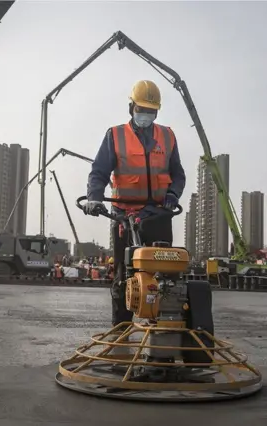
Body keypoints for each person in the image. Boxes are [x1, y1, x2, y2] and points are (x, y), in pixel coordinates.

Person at [83, 79, 186, 328]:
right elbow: (99, 172)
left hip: (159, 214)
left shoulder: (167, 136)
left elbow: (178, 174)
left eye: (151, 111)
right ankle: (121, 328)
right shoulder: (115, 135)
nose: (146, 115)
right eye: (142, 110)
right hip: (125, 216)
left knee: (166, 273)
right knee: (122, 275)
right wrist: (95, 198)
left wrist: (173, 195)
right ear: (132, 107)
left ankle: (165, 325)